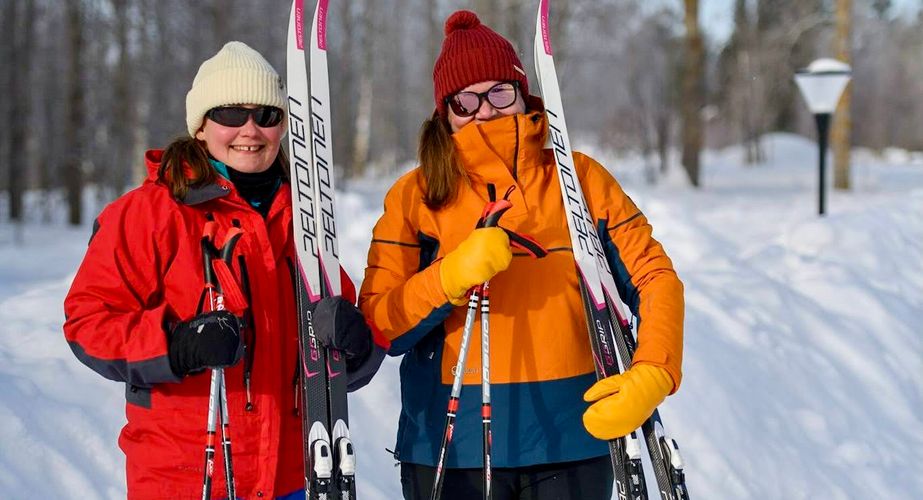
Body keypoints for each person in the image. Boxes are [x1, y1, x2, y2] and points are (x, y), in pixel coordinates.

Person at [358, 11, 684, 500]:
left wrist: (655, 368)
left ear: (522, 93)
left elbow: (655, 276)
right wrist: (450, 275)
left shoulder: (580, 180)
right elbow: (378, 324)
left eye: (499, 92)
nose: (485, 111)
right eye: (466, 100)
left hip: (573, 441)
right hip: (451, 451)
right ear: (445, 112)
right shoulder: (415, 197)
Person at [63, 41, 385, 499]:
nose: (250, 130)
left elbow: (338, 362)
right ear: (200, 126)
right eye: (231, 114)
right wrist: (178, 346)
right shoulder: (150, 214)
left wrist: (356, 344)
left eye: (266, 115)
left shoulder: (305, 219)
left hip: (295, 477)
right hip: (187, 479)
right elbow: (88, 323)